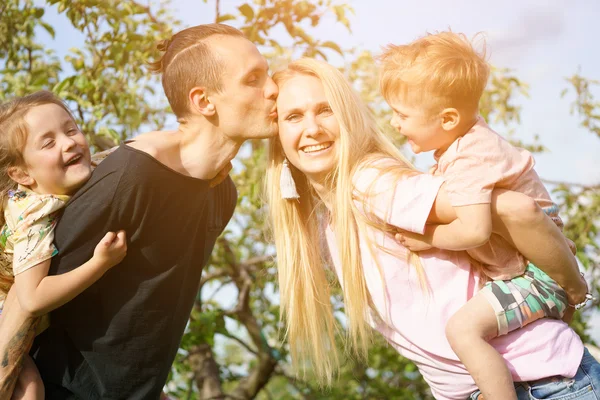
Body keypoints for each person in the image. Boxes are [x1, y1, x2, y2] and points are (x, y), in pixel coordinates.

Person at [266, 57, 598, 399]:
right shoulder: (326, 223)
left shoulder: (372, 184)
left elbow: (516, 209)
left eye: (325, 109)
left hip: (545, 386)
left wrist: (571, 284)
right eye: (293, 116)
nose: (312, 128)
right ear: (276, 130)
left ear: (347, 116)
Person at [0, 23, 278, 399]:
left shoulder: (221, 194)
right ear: (203, 101)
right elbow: (25, 296)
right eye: (254, 78)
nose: (273, 88)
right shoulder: (130, 177)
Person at [377, 31, 593, 399]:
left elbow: (475, 229)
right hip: (534, 271)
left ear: (447, 119)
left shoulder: (472, 155)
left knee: (462, 330)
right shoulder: (460, 149)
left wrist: (426, 238)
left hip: (539, 274)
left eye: (402, 114)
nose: (395, 123)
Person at [0, 91, 127, 400]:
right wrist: (99, 264)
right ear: (22, 174)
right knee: (29, 390)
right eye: (49, 142)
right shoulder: (33, 214)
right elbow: (32, 298)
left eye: (70, 130)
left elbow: (128, 152)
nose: (69, 143)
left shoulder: (80, 172)